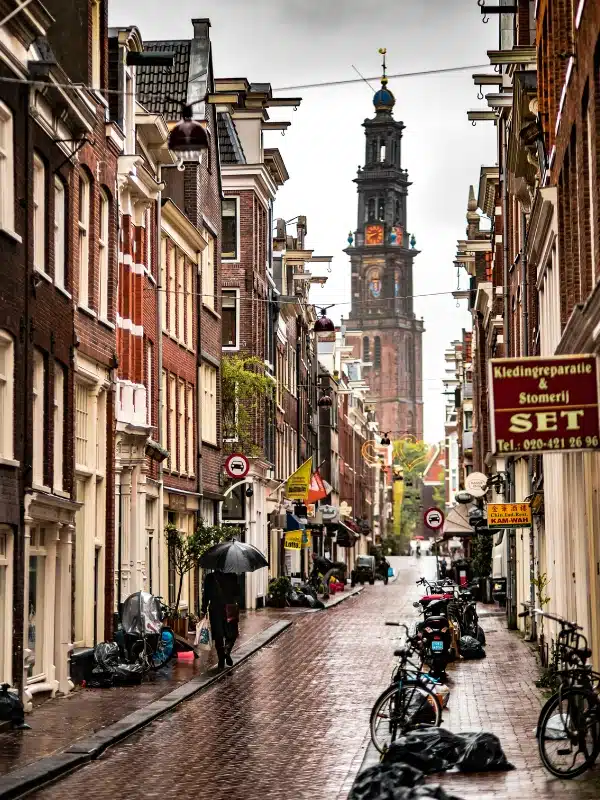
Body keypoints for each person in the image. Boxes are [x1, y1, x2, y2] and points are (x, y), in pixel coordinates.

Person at [201, 570, 240, 670]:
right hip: (229, 608)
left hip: (215, 609)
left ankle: (221, 661)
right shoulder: (233, 576)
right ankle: (227, 650)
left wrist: (203, 608)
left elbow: (206, 595)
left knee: (218, 636)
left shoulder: (210, 577)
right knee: (232, 633)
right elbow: (238, 593)